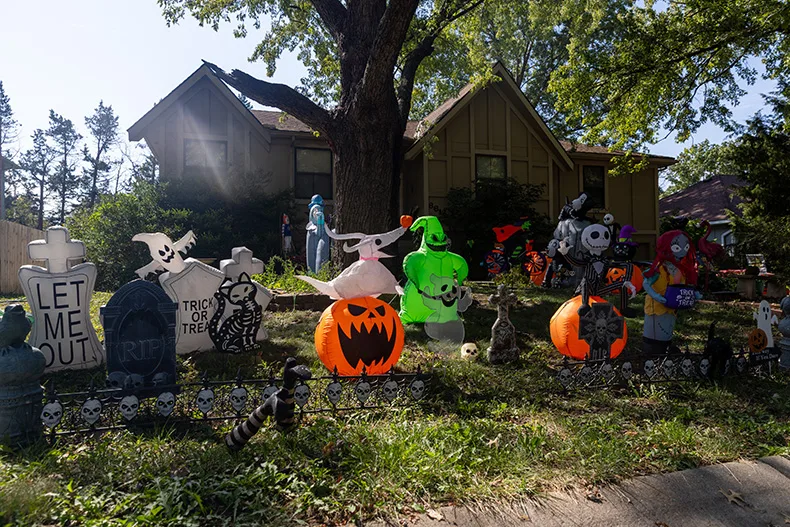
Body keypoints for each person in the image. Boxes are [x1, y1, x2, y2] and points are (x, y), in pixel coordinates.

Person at [642, 230, 702, 355]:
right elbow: (646, 283)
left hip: (671, 308)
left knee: (667, 330)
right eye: (677, 246)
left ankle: (665, 350)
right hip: (656, 308)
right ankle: (651, 353)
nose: (682, 250)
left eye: (686, 246)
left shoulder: (681, 269)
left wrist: (693, 294)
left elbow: (684, 285)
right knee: (654, 333)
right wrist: (656, 296)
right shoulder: (659, 268)